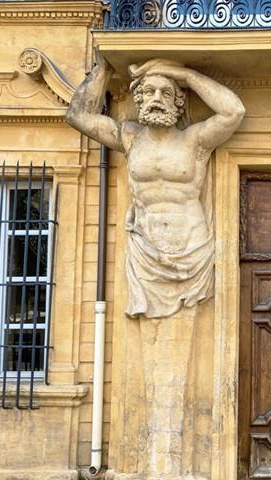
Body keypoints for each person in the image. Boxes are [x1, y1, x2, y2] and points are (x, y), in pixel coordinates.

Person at [66, 53, 245, 318]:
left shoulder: (194, 141)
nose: (156, 99)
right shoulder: (129, 138)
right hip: (145, 253)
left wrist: (184, 76)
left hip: (193, 251)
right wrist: (105, 65)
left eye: (165, 93)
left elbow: (234, 111)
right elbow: (78, 116)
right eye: (149, 92)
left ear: (178, 102)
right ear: (139, 100)